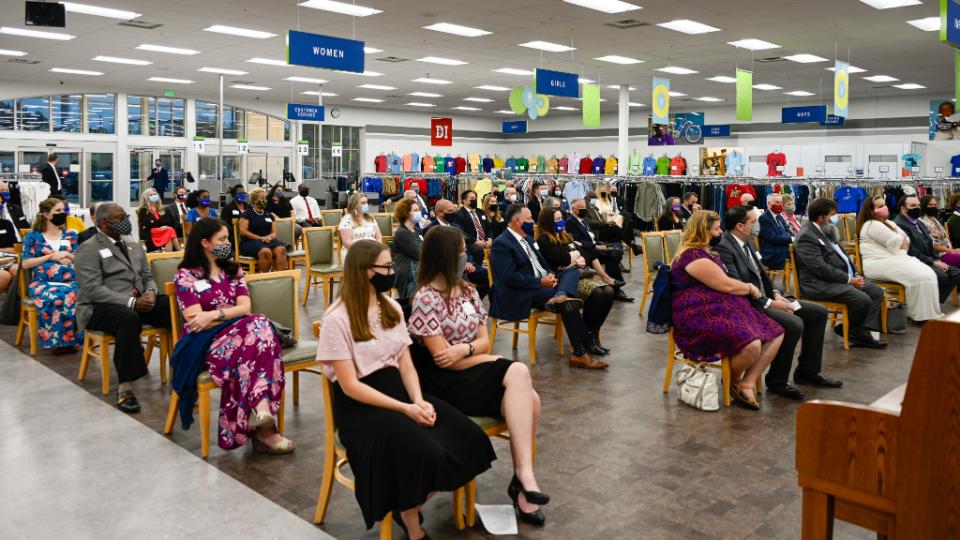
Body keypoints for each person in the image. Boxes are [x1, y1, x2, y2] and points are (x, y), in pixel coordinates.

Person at [315, 239, 496, 539]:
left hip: (400, 392)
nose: (392, 273)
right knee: (423, 452)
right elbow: (350, 385)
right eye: (386, 268)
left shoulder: (390, 308)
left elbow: (406, 363)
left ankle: (407, 507)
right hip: (362, 407)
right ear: (363, 271)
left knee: (468, 437)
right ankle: (413, 524)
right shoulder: (337, 319)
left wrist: (418, 400)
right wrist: (406, 408)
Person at [408, 226, 549, 526]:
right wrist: (486, 358)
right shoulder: (426, 298)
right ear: (446, 256)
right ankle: (524, 479)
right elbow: (443, 360)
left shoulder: (468, 290)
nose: (467, 257)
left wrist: (467, 350)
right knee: (518, 370)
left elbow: (484, 341)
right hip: (446, 382)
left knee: (532, 400)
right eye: (461, 252)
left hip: (471, 368)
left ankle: (522, 482)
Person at [173, 217, 294, 454]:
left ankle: (261, 413)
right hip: (206, 343)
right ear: (205, 243)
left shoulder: (233, 269)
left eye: (228, 238)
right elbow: (196, 321)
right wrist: (229, 316)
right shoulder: (186, 275)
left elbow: (245, 307)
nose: (227, 243)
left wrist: (214, 314)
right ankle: (264, 423)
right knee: (259, 330)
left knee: (256, 328)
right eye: (222, 239)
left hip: (242, 336)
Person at [715, 206, 838, 402]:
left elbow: (762, 274)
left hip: (768, 298)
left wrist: (776, 293)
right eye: (753, 222)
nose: (757, 226)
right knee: (793, 323)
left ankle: (808, 371)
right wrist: (769, 303)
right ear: (740, 226)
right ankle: (777, 380)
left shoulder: (748, 241)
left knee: (818, 313)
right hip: (750, 305)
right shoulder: (725, 247)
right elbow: (737, 284)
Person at [670, 210, 784, 409]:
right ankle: (733, 380)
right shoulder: (693, 256)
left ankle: (746, 382)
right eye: (716, 229)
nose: (720, 232)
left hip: (720, 308)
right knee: (752, 344)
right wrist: (750, 288)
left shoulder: (707, 253)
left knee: (777, 333)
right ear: (703, 231)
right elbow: (726, 285)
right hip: (697, 315)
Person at [75, 203, 172, 413]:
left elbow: (147, 276)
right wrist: (132, 302)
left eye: (126, 216)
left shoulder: (133, 244)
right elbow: (93, 289)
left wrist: (151, 293)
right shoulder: (88, 248)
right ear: (103, 223)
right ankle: (125, 387)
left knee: (171, 306)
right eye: (120, 219)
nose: (126, 221)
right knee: (127, 318)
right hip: (101, 306)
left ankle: (182, 368)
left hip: (137, 301)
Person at [489, 204, 606, 370]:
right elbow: (509, 278)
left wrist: (550, 275)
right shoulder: (502, 244)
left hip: (543, 285)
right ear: (517, 221)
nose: (533, 222)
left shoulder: (528, 239)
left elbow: (543, 264)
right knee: (566, 303)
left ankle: (561, 294)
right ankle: (579, 352)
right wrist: (540, 282)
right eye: (529, 219)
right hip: (522, 291)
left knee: (571, 272)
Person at [794, 198, 886, 348]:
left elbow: (842, 257)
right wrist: (849, 279)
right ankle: (856, 331)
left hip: (839, 278)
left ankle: (857, 330)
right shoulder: (807, 236)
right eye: (833, 214)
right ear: (821, 217)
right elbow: (820, 269)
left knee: (876, 292)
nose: (835, 218)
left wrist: (855, 274)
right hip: (818, 284)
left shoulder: (826, 230)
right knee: (862, 299)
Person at [536, 208, 618, 356]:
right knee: (598, 293)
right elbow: (561, 260)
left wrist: (575, 257)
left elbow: (586, 253)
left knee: (609, 291)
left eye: (561, 218)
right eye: (557, 219)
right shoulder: (544, 240)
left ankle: (593, 333)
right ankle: (588, 339)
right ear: (548, 222)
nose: (561, 221)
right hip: (564, 281)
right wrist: (575, 257)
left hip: (579, 275)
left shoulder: (566, 236)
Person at [857, 196, 942, 322]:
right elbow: (895, 241)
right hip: (877, 264)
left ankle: (928, 314)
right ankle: (920, 316)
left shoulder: (888, 222)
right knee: (920, 276)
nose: (885, 208)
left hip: (893, 259)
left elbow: (906, 239)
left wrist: (901, 240)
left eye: (884, 204)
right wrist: (901, 240)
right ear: (870, 210)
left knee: (928, 274)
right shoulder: (871, 224)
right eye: (880, 206)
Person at [20, 198, 83, 353]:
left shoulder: (71, 235)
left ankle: (71, 340)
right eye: (58, 211)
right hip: (43, 283)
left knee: (77, 293)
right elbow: (25, 263)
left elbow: (81, 259)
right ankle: (56, 342)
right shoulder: (33, 237)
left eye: (63, 210)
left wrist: (67, 254)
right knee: (56, 296)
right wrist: (51, 256)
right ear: (47, 214)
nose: (63, 213)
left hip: (71, 280)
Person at [894, 195, 960, 304]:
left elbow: (929, 244)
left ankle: (934, 302)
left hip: (931, 257)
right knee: (942, 276)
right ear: (903, 208)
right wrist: (933, 262)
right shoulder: (900, 224)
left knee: (956, 273)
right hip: (915, 261)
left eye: (918, 206)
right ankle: (929, 303)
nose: (917, 208)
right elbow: (911, 251)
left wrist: (936, 260)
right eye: (913, 206)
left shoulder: (918, 222)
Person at [566, 198, 631, 301]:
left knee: (615, 253)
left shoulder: (583, 220)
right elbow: (577, 242)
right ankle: (614, 288)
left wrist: (599, 245)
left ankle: (616, 289)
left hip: (594, 247)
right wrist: (596, 246)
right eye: (581, 208)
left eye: (585, 207)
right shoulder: (570, 222)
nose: (584, 210)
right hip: (586, 251)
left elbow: (591, 236)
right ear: (574, 209)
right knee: (612, 254)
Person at [239, 188, 287, 272]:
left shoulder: (269, 215)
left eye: (265, 198)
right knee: (266, 252)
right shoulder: (247, 214)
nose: (264, 200)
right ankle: (264, 277)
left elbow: (274, 232)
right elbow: (243, 231)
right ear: (254, 200)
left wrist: (270, 237)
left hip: (267, 241)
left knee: (281, 250)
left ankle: (280, 276)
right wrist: (260, 238)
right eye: (262, 198)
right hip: (250, 242)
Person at [391, 198, 422, 313]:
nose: (419, 213)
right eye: (415, 210)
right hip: (407, 269)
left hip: (418, 265)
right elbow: (417, 254)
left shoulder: (416, 230)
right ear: (407, 213)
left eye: (418, 210)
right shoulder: (402, 233)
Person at [338, 193, 382, 263]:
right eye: (363, 203)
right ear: (355, 205)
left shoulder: (370, 218)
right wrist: (364, 252)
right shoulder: (347, 220)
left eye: (367, 202)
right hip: (354, 254)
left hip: (372, 252)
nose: (366, 205)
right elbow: (347, 242)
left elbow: (379, 237)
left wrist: (377, 249)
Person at [919, 195, 960, 267]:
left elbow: (945, 238)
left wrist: (953, 250)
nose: (933, 207)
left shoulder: (934, 219)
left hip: (948, 250)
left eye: (935, 205)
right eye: (930, 205)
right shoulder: (921, 222)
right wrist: (953, 251)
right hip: (938, 255)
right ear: (924, 206)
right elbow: (933, 245)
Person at [136, 188, 181, 253]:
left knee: (169, 231)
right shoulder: (143, 210)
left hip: (163, 230)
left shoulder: (161, 208)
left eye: (155, 194)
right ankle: (179, 252)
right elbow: (147, 223)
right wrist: (160, 226)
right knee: (169, 230)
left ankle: (169, 255)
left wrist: (159, 225)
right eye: (151, 195)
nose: (154, 196)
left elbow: (168, 220)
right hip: (149, 231)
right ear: (146, 198)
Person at [758, 193, 793, 271]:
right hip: (772, 254)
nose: (780, 205)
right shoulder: (764, 218)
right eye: (777, 202)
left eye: (781, 203)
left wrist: (793, 237)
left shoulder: (779, 216)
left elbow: (788, 231)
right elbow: (773, 238)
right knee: (800, 252)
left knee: (802, 250)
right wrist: (791, 239)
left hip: (782, 247)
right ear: (769, 204)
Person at [456, 190, 491, 264]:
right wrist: (475, 241)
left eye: (475, 198)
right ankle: (478, 267)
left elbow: (489, 228)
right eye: (472, 198)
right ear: (464, 200)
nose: (474, 200)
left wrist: (490, 239)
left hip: (485, 241)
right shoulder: (459, 214)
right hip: (471, 242)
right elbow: (462, 232)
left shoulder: (481, 212)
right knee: (477, 249)